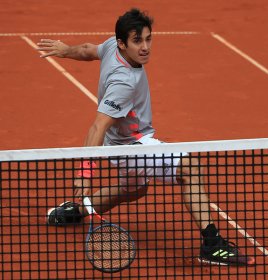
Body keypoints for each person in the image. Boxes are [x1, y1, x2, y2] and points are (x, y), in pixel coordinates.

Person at [37, 8, 255, 266]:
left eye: (148, 39)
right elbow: (97, 127)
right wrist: (85, 173)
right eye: (137, 41)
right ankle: (212, 244)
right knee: (190, 168)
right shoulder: (124, 82)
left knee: (133, 191)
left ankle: (74, 212)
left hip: (120, 144)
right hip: (133, 146)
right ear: (122, 43)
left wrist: (65, 50)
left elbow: (86, 49)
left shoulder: (111, 47)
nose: (145, 47)